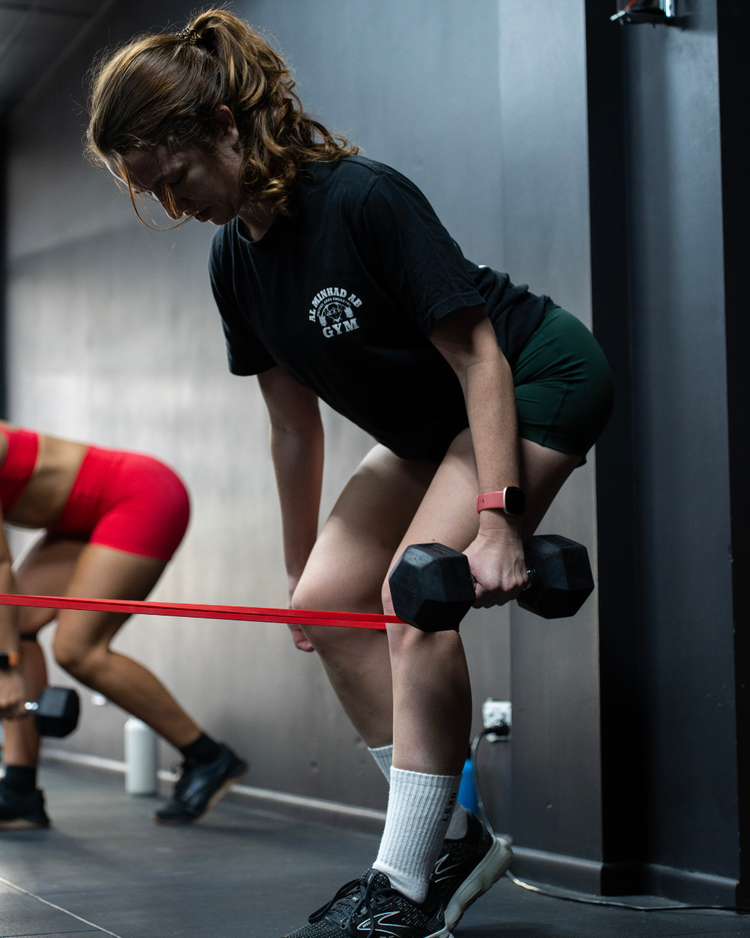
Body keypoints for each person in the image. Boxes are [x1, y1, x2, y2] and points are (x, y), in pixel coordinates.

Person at [86, 11, 613, 937]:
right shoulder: (233, 262)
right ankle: (455, 840)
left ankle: (404, 886)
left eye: (175, 177)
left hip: (533, 377)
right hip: (429, 425)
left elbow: (480, 357)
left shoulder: (362, 198)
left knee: (416, 600)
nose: (173, 204)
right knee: (330, 606)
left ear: (223, 124)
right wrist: (301, 571)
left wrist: (498, 523)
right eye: (151, 191)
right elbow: (292, 428)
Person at [0, 421, 247, 829]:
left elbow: (0, 567)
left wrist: (6, 669)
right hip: (78, 517)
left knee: (77, 650)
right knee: (19, 624)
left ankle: (208, 757)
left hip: (140, 495)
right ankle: (20, 791)